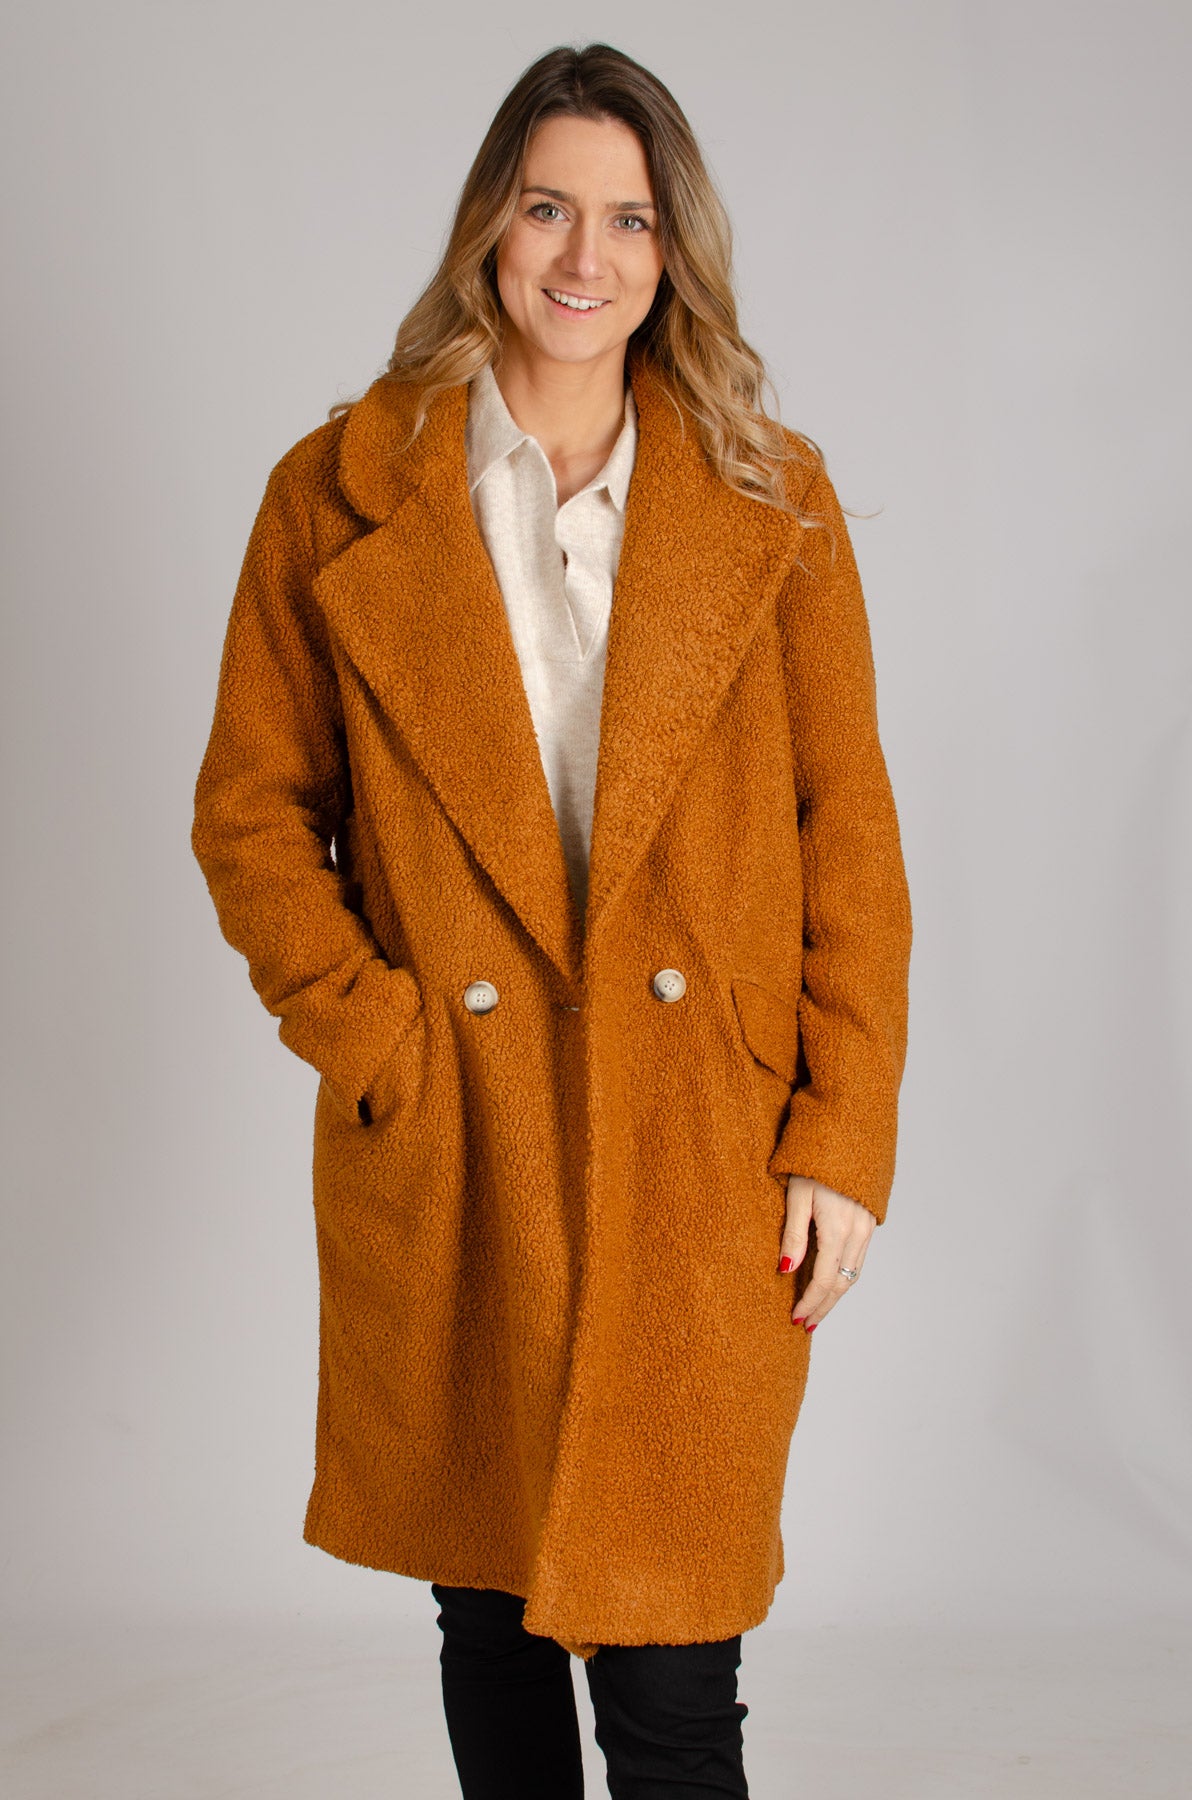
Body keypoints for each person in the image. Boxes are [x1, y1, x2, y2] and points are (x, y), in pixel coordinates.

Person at [191, 39, 913, 1800]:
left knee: (675, 1680)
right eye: (547, 210)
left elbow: (851, 838)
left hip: (701, 1144)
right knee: (495, 1617)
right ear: (487, 230)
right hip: (469, 1135)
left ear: (675, 251)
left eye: (630, 219)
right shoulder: (338, 490)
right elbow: (251, 815)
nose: (586, 258)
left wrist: (840, 1136)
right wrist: (384, 1042)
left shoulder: (772, 493)